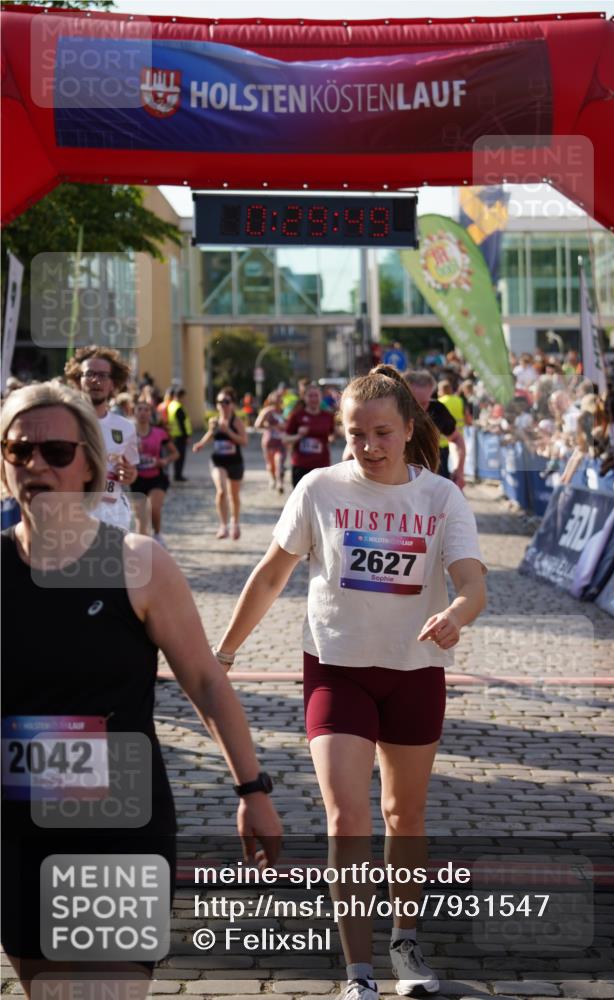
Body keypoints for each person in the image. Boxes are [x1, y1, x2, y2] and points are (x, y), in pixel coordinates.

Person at [212, 365, 487, 1000]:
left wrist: (454, 614)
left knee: (403, 814)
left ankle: (406, 942)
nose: (368, 447)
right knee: (346, 818)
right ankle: (357, 971)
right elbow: (271, 574)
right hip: (337, 670)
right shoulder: (319, 489)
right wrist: (222, 653)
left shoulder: (441, 498)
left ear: (409, 427)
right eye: (356, 434)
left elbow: (473, 584)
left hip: (415, 674)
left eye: (382, 433)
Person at [1, 381, 282, 997]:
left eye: (54, 451)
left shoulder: (136, 563)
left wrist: (252, 789)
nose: (35, 466)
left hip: (117, 823)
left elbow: (206, 681)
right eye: (18, 451)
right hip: (18, 829)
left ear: (89, 464)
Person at [64, 346, 139, 531]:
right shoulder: (64, 421)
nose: (96, 380)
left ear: (113, 383)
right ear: (78, 380)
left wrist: (130, 475)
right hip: (74, 512)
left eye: (103, 375)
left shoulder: (126, 427)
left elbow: (131, 471)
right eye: (89, 374)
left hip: (113, 514)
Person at [193, 387, 248, 539]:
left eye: (226, 401)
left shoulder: (236, 422)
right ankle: (223, 525)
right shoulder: (214, 421)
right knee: (221, 490)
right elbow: (210, 434)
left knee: (234, 496)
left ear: (232, 404)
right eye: (219, 402)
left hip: (235, 462)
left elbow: (244, 441)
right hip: (218, 461)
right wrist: (201, 444)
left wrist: (229, 432)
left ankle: (235, 523)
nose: (222, 405)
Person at [131, 399, 179, 545]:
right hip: (136, 479)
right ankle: (142, 546)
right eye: (139, 409)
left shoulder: (159, 433)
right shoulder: (128, 434)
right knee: (140, 518)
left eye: (146, 410)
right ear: (134, 412)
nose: (143, 413)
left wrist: (164, 461)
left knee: (154, 507)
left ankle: (157, 534)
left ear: (150, 413)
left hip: (156, 477)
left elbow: (175, 453)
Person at [403, 370, 456, 480]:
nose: (421, 409)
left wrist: (459, 469)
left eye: (425, 402)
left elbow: (456, 439)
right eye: (415, 403)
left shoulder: (438, 409)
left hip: (437, 472)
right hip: (404, 479)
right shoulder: (395, 412)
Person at [284, 383, 335, 489]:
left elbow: (334, 433)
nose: (313, 399)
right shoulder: (297, 416)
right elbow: (285, 438)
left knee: (322, 499)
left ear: (321, 397)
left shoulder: (327, 416)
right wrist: (298, 436)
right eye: (310, 396)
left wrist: (333, 437)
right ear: (304, 397)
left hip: (322, 465)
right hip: (301, 465)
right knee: (301, 501)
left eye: (316, 395)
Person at [255, 390, 287, 493]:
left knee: (280, 462)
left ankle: (280, 483)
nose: (278, 400)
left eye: (280, 398)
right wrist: (272, 426)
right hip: (269, 441)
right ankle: (272, 478)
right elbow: (257, 425)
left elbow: (290, 425)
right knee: (271, 464)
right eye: (276, 398)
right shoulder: (267, 411)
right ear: (272, 399)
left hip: (281, 441)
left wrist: (285, 427)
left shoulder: (284, 412)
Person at [167, 389, 192, 482]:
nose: (185, 400)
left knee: (177, 456)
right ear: (180, 396)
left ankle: (177, 474)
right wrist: (187, 436)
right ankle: (178, 475)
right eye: (184, 397)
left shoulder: (171, 405)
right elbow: (182, 423)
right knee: (180, 457)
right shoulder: (178, 407)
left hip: (174, 435)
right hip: (180, 436)